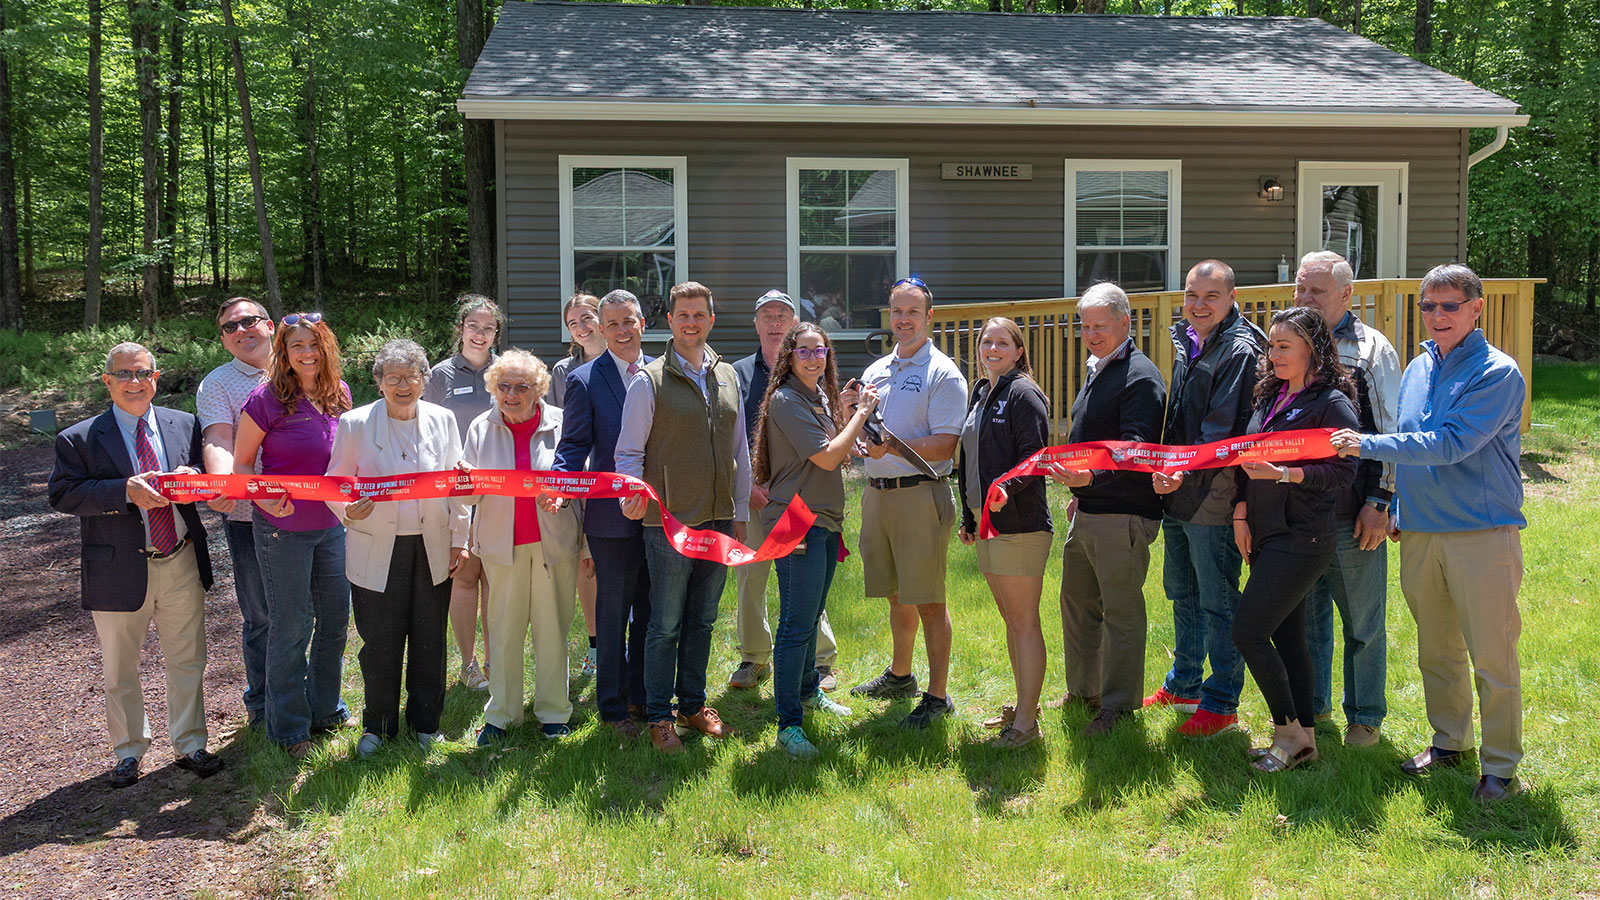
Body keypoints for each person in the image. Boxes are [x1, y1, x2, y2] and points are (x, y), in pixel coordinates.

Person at [1331, 263, 1528, 803]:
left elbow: (1449, 444)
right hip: (1419, 531)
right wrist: (1398, 504)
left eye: (1450, 305)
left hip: (1480, 533)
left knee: (1492, 656)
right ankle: (1450, 744)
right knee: (1436, 650)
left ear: (1476, 308)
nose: (1437, 315)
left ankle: (1501, 768)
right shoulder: (1418, 367)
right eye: (1428, 306)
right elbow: (1408, 437)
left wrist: (1363, 444)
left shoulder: (1497, 372)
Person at [48, 342, 225, 788]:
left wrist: (195, 478)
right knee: (120, 668)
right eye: (124, 374)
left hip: (180, 557)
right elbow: (63, 494)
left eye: (143, 373)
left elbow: (205, 475)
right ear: (107, 381)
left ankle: (190, 743)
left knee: (188, 660)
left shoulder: (185, 423)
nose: (134, 382)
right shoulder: (79, 437)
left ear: (156, 378)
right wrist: (123, 491)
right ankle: (128, 750)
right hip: (117, 568)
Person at [616, 281, 750, 753]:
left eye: (699, 315)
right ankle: (659, 715)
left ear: (711, 320)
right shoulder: (648, 380)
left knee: (703, 620)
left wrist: (740, 509)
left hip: (718, 520)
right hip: (668, 525)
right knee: (665, 624)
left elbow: (739, 449)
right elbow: (628, 451)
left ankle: (693, 705)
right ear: (670, 322)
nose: (691, 323)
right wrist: (631, 495)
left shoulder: (728, 375)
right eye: (683, 315)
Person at [1229, 307, 1359, 773]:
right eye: (1271, 346)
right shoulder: (1270, 395)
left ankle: (1288, 733)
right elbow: (1246, 456)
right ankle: (1305, 741)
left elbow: (1345, 471)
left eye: (1284, 346)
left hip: (1303, 537)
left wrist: (1286, 474)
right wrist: (1241, 512)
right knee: (1288, 637)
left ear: (1313, 348)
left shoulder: (1332, 403)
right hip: (1265, 531)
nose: (1274, 355)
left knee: (1247, 631)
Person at [325, 340, 469, 756]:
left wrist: (459, 539)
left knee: (429, 640)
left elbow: (457, 486)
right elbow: (335, 480)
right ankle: (378, 726)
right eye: (393, 378)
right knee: (380, 643)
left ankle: (426, 724)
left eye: (411, 377)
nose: (403, 386)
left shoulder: (443, 419)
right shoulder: (355, 423)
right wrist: (347, 509)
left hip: (432, 546)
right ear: (379, 382)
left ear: (425, 379)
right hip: (376, 548)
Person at [1148, 260, 1266, 738]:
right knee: (1184, 592)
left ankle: (1221, 703)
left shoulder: (1240, 348)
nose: (1199, 305)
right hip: (1179, 490)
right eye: (1192, 295)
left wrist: (1180, 470)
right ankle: (1185, 684)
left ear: (1232, 298)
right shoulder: (1189, 338)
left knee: (1218, 601)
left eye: (1211, 296)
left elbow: (1223, 429)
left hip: (1215, 494)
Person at [751, 323, 879, 759]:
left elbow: (832, 445)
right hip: (796, 521)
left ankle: (808, 692)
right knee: (796, 624)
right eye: (803, 351)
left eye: (819, 351)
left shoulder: (817, 396)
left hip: (822, 519)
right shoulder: (787, 399)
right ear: (789, 356)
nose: (812, 358)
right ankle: (788, 724)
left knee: (810, 616)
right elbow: (826, 457)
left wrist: (844, 413)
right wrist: (860, 414)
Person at [845, 277, 968, 730]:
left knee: (928, 599)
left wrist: (891, 447)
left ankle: (938, 696)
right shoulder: (878, 369)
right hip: (877, 495)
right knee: (896, 593)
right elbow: (868, 430)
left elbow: (946, 444)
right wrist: (853, 419)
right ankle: (901, 677)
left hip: (920, 493)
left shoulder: (943, 373)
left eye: (913, 311)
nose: (903, 319)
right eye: (897, 310)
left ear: (929, 316)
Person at [1045, 284, 1166, 737]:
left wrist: (1091, 479)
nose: (1092, 334)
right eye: (1086, 326)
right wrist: (1083, 492)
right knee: (1077, 603)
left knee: (1121, 612)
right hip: (1090, 509)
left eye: (1101, 325)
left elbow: (1136, 448)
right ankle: (1084, 691)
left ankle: (1118, 707)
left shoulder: (1140, 376)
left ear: (1125, 323)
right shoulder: (1099, 368)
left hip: (1124, 512)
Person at [233, 312, 353, 758]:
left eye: (314, 344)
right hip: (282, 530)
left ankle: (326, 711)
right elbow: (241, 466)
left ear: (326, 348)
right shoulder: (265, 399)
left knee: (335, 623)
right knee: (291, 626)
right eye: (296, 345)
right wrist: (263, 500)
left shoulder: (340, 394)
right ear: (282, 351)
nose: (307, 353)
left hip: (333, 526)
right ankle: (288, 728)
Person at [1294, 251, 1401, 748]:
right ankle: (1313, 708)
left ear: (1345, 294)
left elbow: (1391, 432)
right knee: (1307, 619)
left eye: (1316, 291)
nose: (1305, 298)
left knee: (1363, 623)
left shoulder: (1372, 350)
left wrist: (1380, 502)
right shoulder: (1287, 343)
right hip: (1299, 512)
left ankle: (1365, 717)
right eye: (1299, 288)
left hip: (1352, 511)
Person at [459, 350, 584, 742]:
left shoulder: (563, 423)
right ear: (493, 388)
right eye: (504, 386)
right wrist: (469, 482)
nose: (511, 395)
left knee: (553, 632)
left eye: (522, 387)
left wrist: (562, 495)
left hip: (554, 544)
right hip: (501, 547)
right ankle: (502, 714)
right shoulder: (480, 427)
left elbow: (581, 483)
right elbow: (469, 497)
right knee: (503, 632)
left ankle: (554, 712)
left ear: (539, 389)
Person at [553, 289, 655, 740]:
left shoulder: (662, 372)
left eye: (627, 321)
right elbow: (574, 444)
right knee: (613, 613)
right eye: (611, 323)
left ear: (642, 323)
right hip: (610, 520)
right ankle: (613, 708)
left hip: (660, 516)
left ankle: (644, 696)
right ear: (600, 328)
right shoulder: (584, 379)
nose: (621, 330)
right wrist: (560, 485)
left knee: (653, 611)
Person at [729, 290, 840, 692]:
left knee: (804, 583)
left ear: (794, 325)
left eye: (782, 315)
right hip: (756, 495)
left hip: (799, 502)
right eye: (767, 316)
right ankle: (754, 657)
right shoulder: (737, 373)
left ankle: (820, 660)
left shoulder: (811, 374)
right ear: (756, 324)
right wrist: (748, 486)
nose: (774, 322)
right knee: (751, 575)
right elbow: (729, 436)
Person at [957, 317, 1053, 748]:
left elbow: (1036, 457)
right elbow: (970, 458)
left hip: (1019, 524)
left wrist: (1005, 492)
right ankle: (1023, 707)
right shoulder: (982, 391)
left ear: (1018, 351)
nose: (992, 349)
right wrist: (968, 515)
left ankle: (1027, 725)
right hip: (986, 524)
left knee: (1024, 622)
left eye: (1002, 343)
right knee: (1012, 622)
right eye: (986, 342)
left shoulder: (1023, 393)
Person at [195, 297, 274, 729]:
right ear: (224, 340)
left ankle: (322, 703)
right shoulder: (217, 383)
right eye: (230, 327)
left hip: (315, 514)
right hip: (249, 517)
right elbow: (218, 439)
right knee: (261, 616)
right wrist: (222, 482)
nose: (241, 331)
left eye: (248, 321)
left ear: (270, 325)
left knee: (320, 612)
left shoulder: (303, 365)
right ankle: (262, 706)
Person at [424, 294, 502, 692]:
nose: (480, 334)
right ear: (461, 329)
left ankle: (494, 660)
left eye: (488, 328)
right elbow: (424, 430)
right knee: (465, 576)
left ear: (496, 334)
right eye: (473, 326)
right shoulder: (439, 376)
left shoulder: (505, 371)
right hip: (454, 493)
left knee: (495, 579)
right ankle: (468, 663)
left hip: (499, 492)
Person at [544, 293, 606, 676]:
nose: (581, 327)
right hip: (578, 479)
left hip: (615, 474)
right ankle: (597, 645)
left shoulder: (624, 360)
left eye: (586, 318)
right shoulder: (563, 371)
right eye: (573, 323)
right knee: (587, 563)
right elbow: (559, 427)